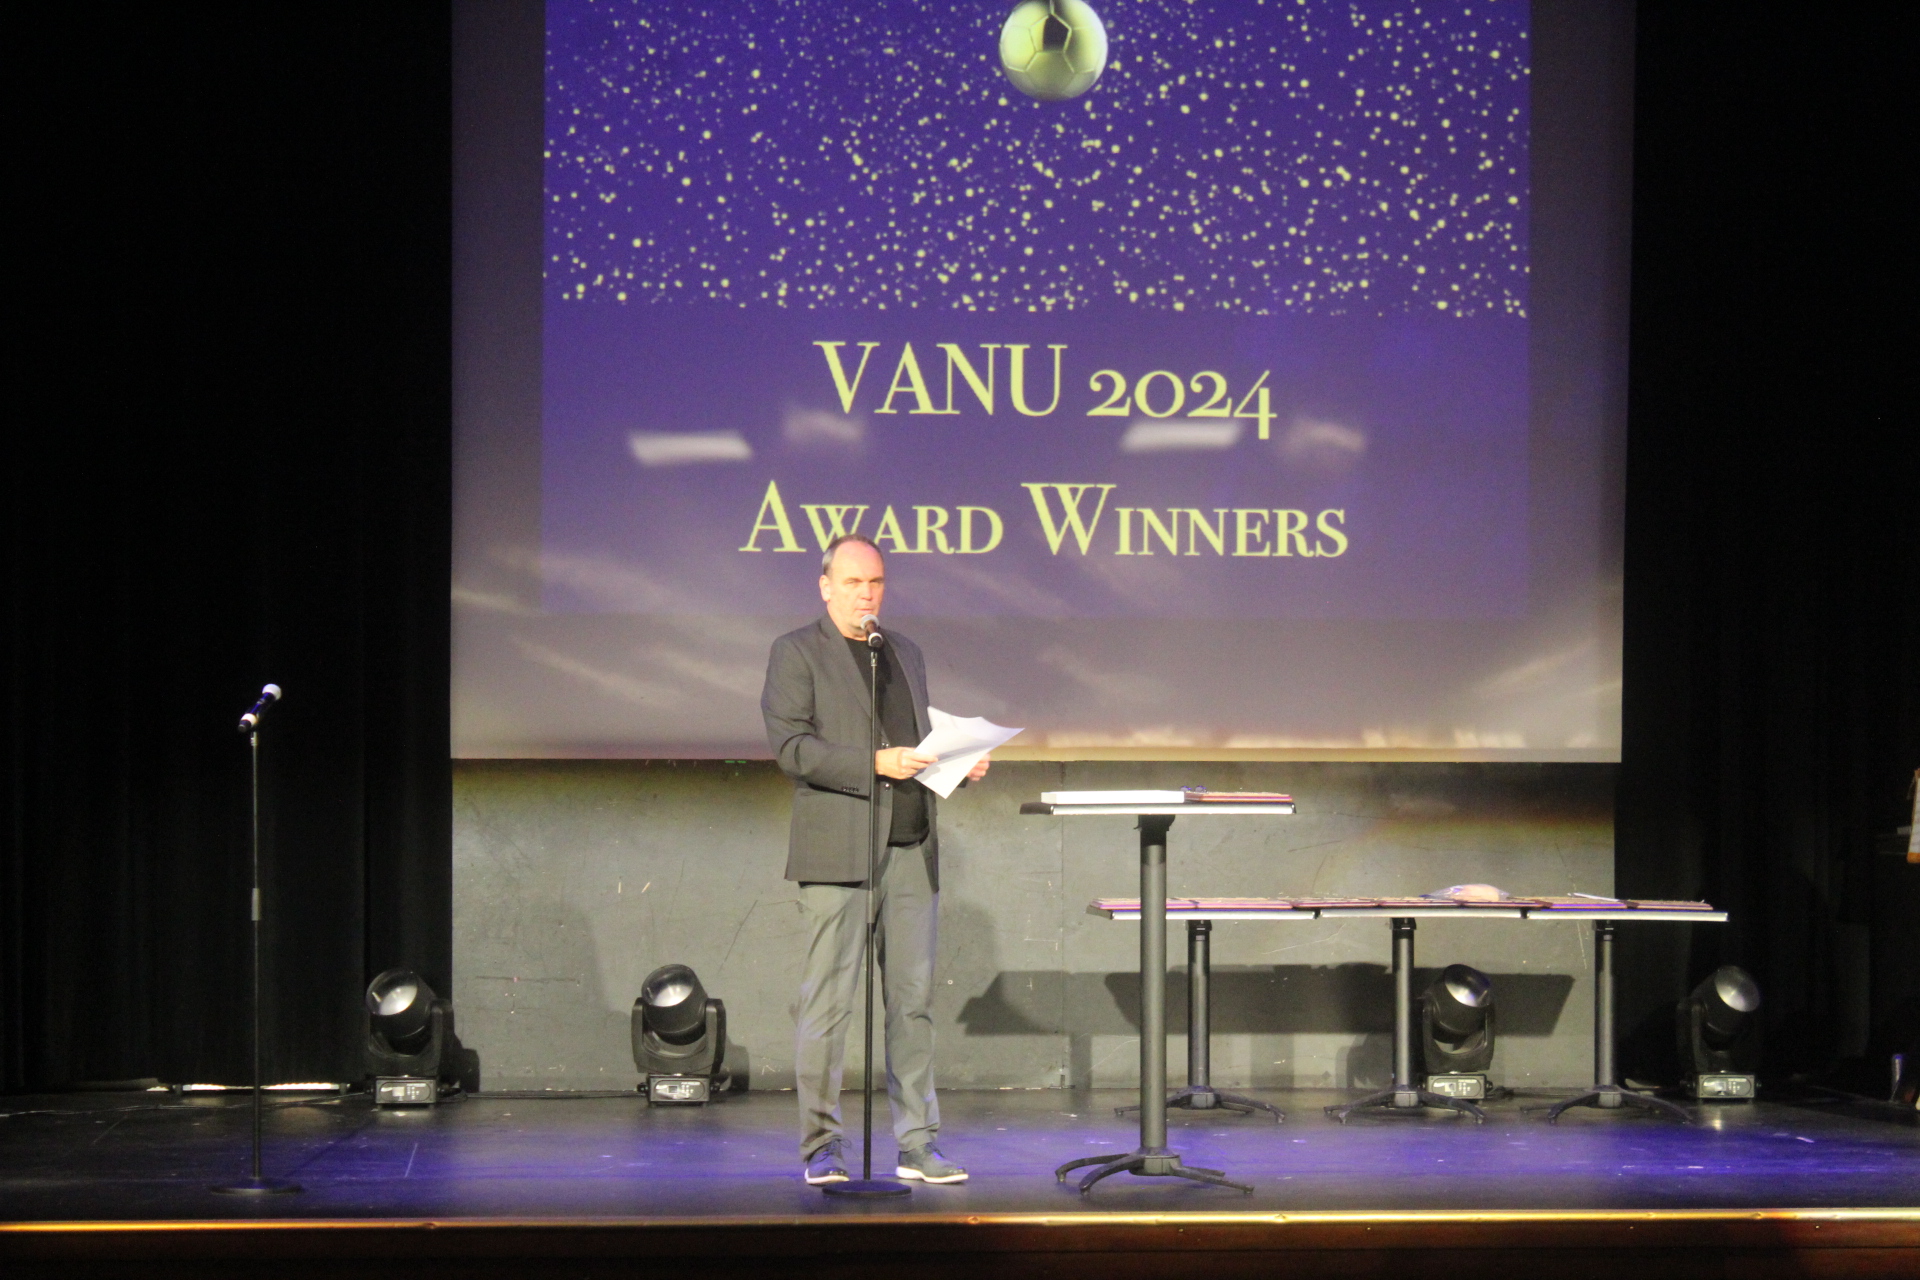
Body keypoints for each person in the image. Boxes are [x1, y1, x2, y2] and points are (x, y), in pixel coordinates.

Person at [760, 534, 989, 1186]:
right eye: (854, 582)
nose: (867, 594)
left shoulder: (902, 652)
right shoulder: (796, 651)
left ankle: (918, 1144)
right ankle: (821, 1146)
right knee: (828, 1006)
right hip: (840, 853)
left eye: (876, 582)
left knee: (912, 1005)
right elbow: (792, 749)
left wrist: (957, 763)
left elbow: (916, 746)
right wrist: (874, 763)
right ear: (825, 586)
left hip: (911, 848)